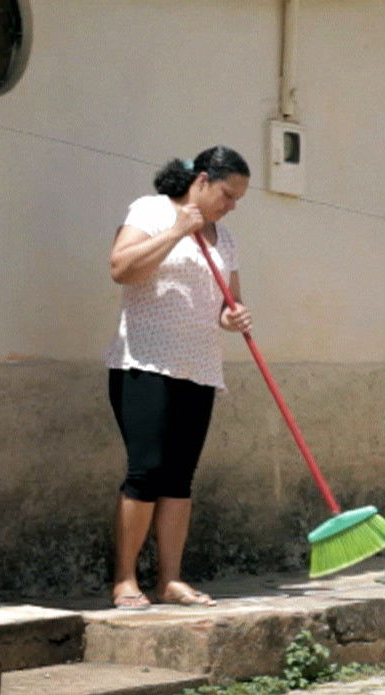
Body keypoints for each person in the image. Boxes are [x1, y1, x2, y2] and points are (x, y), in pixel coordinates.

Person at [103, 146, 254, 609]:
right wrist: (176, 232)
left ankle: (170, 579)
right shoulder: (150, 211)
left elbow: (228, 302)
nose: (231, 206)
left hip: (199, 367)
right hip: (145, 362)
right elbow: (121, 269)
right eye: (227, 194)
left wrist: (233, 317)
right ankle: (125, 580)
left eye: (238, 199)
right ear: (202, 180)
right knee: (146, 471)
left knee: (179, 478)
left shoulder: (225, 239)